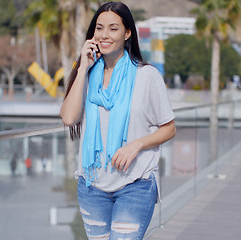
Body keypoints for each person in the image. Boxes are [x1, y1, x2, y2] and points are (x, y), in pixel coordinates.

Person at [59, 2, 176, 239]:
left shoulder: (147, 75)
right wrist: (82, 68)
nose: (104, 35)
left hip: (135, 184)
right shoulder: (88, 75)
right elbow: (69, 117)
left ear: (127, 33)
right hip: (92, 186)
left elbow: (169, 128)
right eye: (99, 28)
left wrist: (137, 144)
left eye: (113, 28)